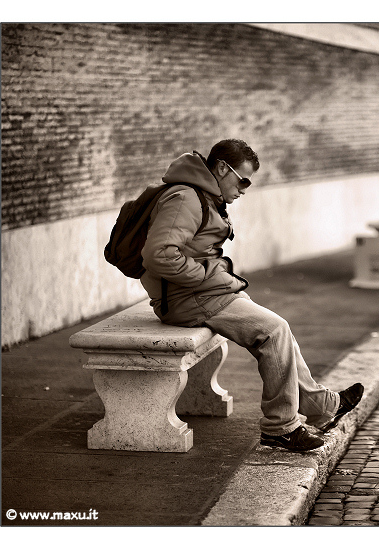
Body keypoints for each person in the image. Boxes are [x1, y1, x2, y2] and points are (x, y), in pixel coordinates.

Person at [140, 138, 363, 452]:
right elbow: (158, 256)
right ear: (221, 168)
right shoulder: (186, 198)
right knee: (273, 331)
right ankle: (281, 428)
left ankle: (322, 406)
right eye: (242, 179)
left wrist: (210, 277)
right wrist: (204, 276)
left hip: (203, 293)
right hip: (188, 299)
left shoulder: (200, 194)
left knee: (276, 329)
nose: (244, 188)